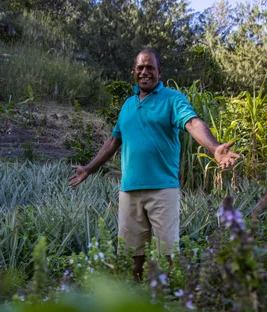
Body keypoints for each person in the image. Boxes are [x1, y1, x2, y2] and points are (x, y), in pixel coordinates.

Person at [69, 48, 241, 280]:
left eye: (150, 67)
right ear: (134, 72)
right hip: (129, 191)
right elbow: (113, 141)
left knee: (168, 255)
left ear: (160, 72)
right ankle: (138, 300)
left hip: (162, 190)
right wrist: (89, 168)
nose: (144, 72)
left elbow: (192, 123)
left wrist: (214, 148)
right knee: (132, 256)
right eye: (140, 68)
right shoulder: (128, 105)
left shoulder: (172, 99)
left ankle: (173, 301)